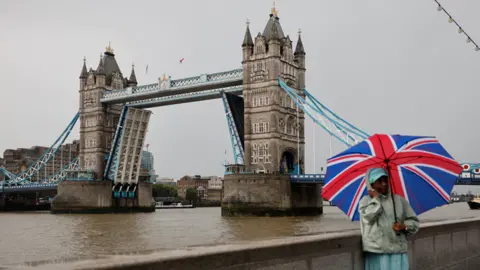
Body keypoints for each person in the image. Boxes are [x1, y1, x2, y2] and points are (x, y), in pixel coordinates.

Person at [359, 167, 420, 270]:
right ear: (371, 184)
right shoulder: (365, 201)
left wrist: (404, 226)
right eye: (379, 181)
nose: (384, 184)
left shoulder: (399, 200)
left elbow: (414, 222)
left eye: (385, 180)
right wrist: (376, 199)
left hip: (398, 251)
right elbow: (367, 218)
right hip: (377, 252)